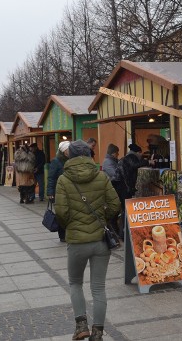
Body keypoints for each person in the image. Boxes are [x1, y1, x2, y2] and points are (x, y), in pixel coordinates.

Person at [55, 140, 120, 341]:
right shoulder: (101, 176)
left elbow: (61, 212)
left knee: (75, 283)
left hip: (76, 242)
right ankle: (98, 333)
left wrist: (72, 225)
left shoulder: (64, 180)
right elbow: (115, 204)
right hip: (100, 240)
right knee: (98, 287)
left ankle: (81, 326)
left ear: (70, 156)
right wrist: (102, 216)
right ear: (90, 154)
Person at [114, 144, 148, 237]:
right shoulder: (132, 157)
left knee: (124, 209)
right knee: (126, 209)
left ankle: (123, 233)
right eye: (140, 153)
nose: (141, 155)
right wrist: (148, 162)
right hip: (123, 187)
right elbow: (134, 165)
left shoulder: (126, 157)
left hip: (120, 186)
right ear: (138, 152)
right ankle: (125, 233)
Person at [47, 141, 70, 242]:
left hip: (70, 191)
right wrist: (50, 193)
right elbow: (51, 177)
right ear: (63, 151)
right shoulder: (56, 161)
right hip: (59, 192)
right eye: (68, 149)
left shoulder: (71, 160)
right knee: (61, 214)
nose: (70, 151)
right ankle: (62, 235)